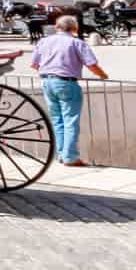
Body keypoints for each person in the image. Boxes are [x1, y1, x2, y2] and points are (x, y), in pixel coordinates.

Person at [30, 14, 110, 166]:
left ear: (56, 27)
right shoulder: (77, 43)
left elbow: (34, 65)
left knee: (57, 120)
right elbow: (91, 64)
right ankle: (70, 157)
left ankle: (61, 154)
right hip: (66, 83)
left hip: (47, 81)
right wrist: (103, 75)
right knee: (70, 121)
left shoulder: (43, 41)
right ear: (75, 28)